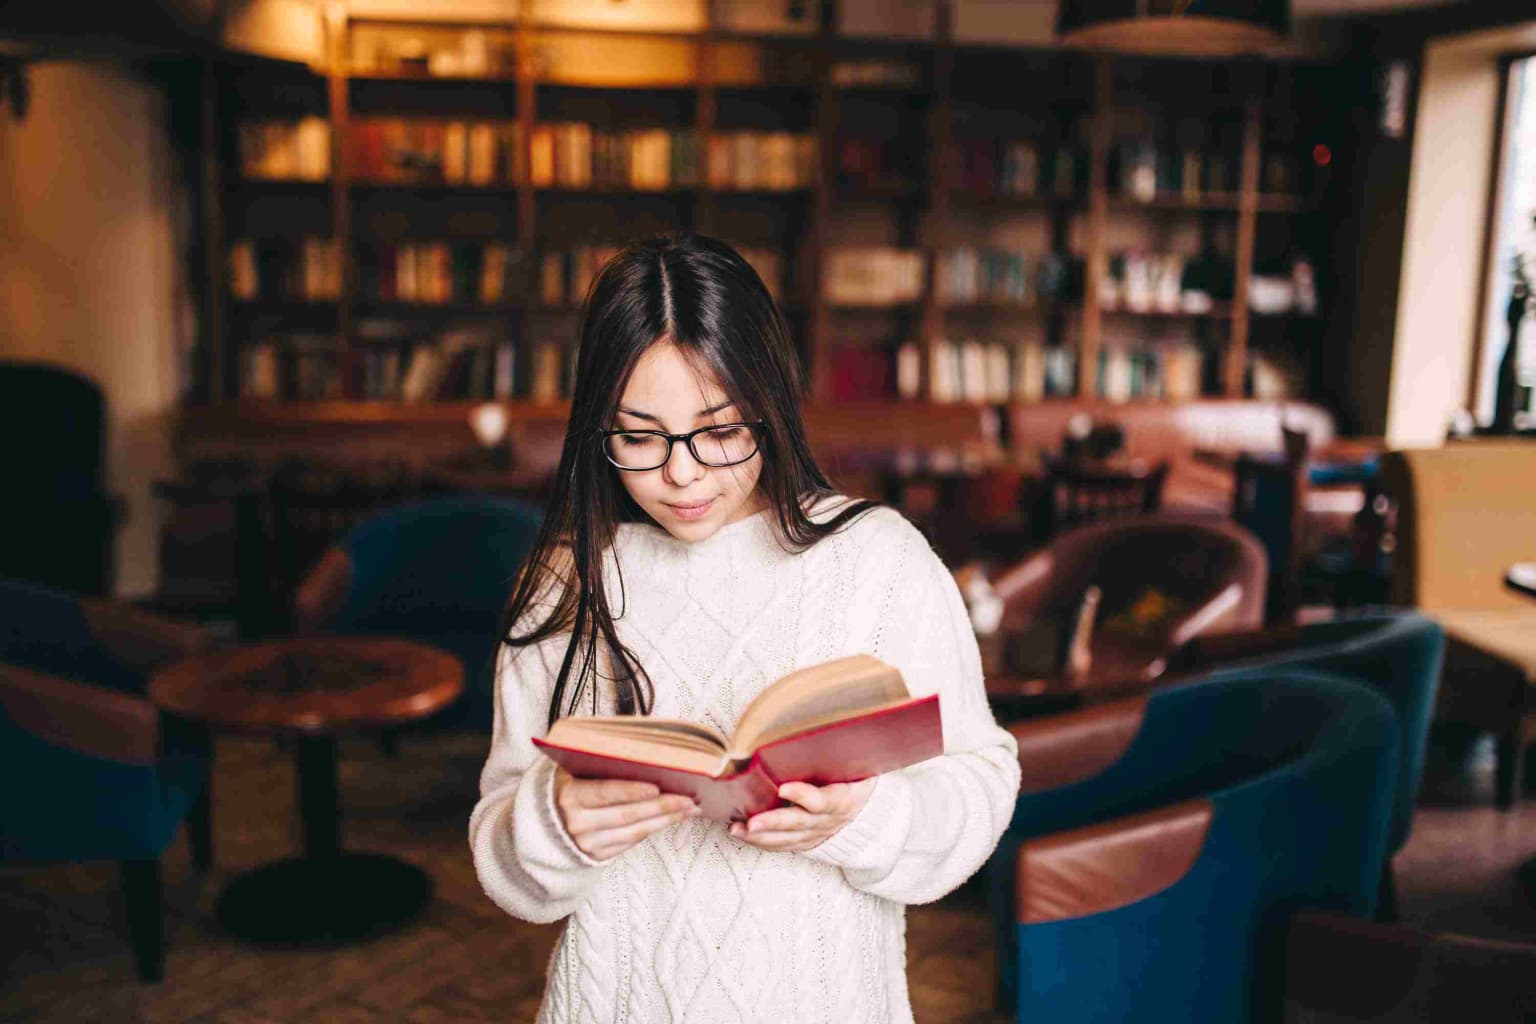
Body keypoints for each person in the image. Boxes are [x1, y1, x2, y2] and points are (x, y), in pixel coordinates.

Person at [469, 234, 1020, 1023]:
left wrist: (866, 821)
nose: (681, 472)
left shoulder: (878, 561)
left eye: (720, 429)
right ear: (596, 428)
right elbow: (504, 864)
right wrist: (552, 824)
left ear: (771, 404)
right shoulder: (564, 583)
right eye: (638, 435)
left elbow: (982, 780)